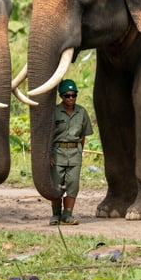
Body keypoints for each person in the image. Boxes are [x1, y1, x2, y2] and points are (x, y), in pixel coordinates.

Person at [49, 79, 93, 225]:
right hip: (58, 153)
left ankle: (67, 215)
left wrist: (79, 152)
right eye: (67, 95)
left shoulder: (82, 112)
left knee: (73, 185)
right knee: (56, 185)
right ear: (61, 96)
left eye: (74, 95)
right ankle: (56, 215)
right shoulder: (54, 112)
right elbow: (47, 135)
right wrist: (49, 155)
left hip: (74, 153)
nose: (71, 98)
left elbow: (83, 136)